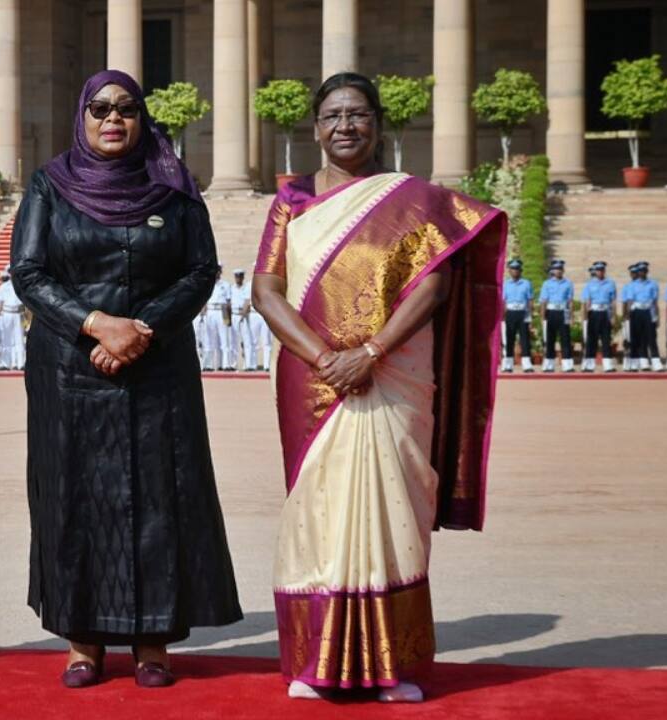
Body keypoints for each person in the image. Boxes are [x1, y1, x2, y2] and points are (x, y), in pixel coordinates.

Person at [252, 73, 503, 704]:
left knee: (394, 513)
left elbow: (433, 286)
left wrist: (370, 353)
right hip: (312, 382)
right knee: (317, 512)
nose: (345, 126)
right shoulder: (292, 201)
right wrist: (325, 359)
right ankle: (315, 663)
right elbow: (266, 290)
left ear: (378, 124)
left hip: (394, 375)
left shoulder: (415, 200)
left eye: (358, 114)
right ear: (315, 128)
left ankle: (395, 666)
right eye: (332, 115)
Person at [11, 69, 242, 690]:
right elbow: (28, 273)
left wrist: (141, 330)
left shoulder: (172, 186)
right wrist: (96, 325)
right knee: (73, 498)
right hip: (69, 369)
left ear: (142, 118)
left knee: (159, 497)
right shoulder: (50, 185)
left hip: (157, 367)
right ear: (82, 117)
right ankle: (81, 640)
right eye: (100, 108)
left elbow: (200, 270)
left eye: (126, 108)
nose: (113, 119)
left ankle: (152, 641)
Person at [581, 261, 616, 373]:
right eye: (598, 270)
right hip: (594, 313)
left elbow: (613, 301)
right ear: (595, 271)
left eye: (602, 270)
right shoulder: (589, 284)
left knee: (606, 339)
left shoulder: (610, 283)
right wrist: (586, 317)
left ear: (604, 271)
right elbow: (587, 301)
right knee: (592, 340)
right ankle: (589, 365)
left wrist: (613, 316)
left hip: (605, 312)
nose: (600, 272)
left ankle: (608, 365)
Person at [539, 259, 574, 373]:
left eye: (560, 269)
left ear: (563, 270)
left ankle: (567, 365)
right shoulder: (547, 283)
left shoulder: (568, 283)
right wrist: (542, 316)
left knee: (565, 339)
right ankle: (549, 365)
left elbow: (570, 301)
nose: (558, 271)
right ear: (552, 271)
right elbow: (543, 301)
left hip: (564, 312)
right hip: (551, 312)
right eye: (556, 269)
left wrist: (571, 317)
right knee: (550, 339)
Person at [500, 258, 534, 373]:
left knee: (525, 339)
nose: (515, 271)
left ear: (520, 271)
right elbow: (503, 301)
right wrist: (502, 316)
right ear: (509, 271)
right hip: (510, 313)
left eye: (517, 269)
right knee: (509, 339)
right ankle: (508, 365)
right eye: (513, 269)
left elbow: (530, 300)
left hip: (523, 312)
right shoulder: (505, 284)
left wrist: (530, 316)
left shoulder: (526, 283)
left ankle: (527, 365)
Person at [0, 267, 26, 370]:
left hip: (18, 314)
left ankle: (21, 363)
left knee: (19, 339)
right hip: (6, 314)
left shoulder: (22, 285)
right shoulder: (4, 287)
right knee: (5, 339)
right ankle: (5, 363)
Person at [201, 265, 232, 371]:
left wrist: (229, 318)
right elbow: (203, 300)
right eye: (215, 270)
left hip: (221, 311)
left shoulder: (226, 285)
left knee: (224, 339)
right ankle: (208, 365)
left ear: (221, 272)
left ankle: (226, 364)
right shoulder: (208, 283)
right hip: (210, 311)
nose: (217, 272)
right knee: (209, 339)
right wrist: (203, 313)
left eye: (218, 270)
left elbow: (228, 302)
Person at [230, 269, 256, 370]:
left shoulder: (246, 288)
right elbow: (228, 303)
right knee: (234, 341)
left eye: (240, 277)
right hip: (234, 315)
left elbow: (247, 301)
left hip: (243, 316)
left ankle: (248, 365)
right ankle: (233, 364)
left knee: (246, 341)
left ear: (243, 277)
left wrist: (243, 315)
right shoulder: (231, 288)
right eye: (237, 277)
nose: (238, 279)